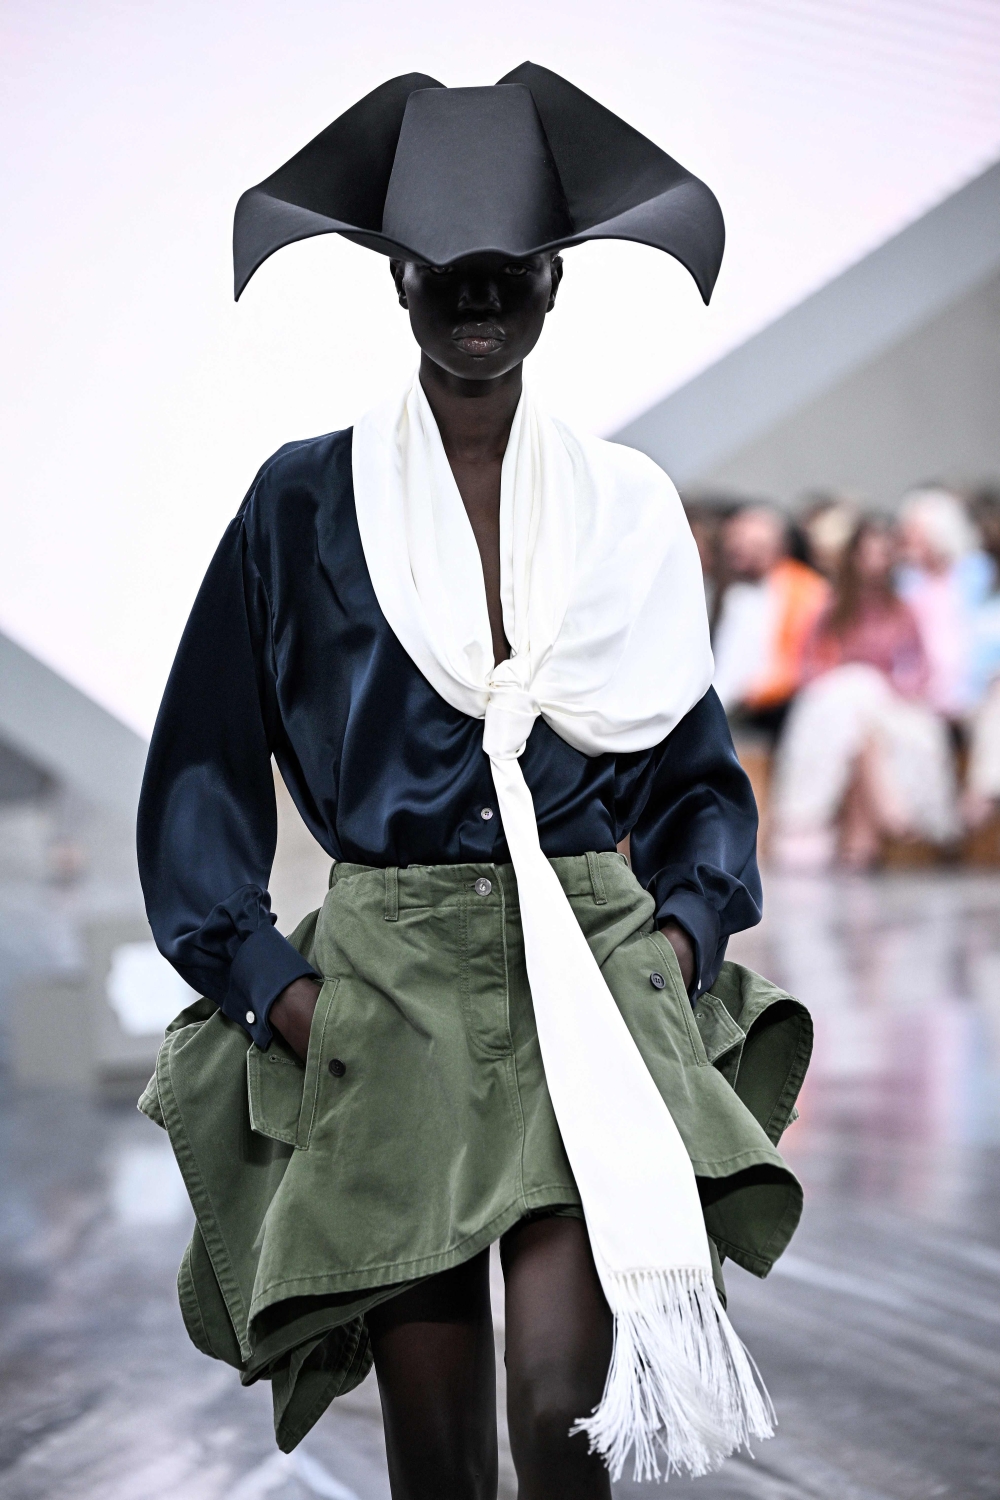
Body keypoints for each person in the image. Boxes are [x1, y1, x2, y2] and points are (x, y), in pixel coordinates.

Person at [136, 66, 809, 1496]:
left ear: (556, 279)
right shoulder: (300, 502)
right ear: (394, 280)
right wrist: (278, 984)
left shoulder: (623, 505)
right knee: (435, 1453)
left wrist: (678, 943)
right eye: (445, 272)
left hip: (585, 968)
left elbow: (691, 772)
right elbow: (203, 757)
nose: (477, 299)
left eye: (506, 269)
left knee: (565, 1406)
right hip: (388, 992)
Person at [771, 518, 959, 870]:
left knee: (864, 717)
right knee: (855, 705)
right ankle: (880, 820)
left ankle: (859, 841)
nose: (875, 560)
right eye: (868, 552)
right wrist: (837, 680)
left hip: (880, 703)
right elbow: (807, 662)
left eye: (882, 552)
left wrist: (899, 687)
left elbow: (921, 666)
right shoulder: (833, 606)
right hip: (843, 702)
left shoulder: (902, 609)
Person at [711, 502, 830, 739]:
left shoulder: (805, 590)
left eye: (756, 545)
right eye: (736, 543)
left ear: (780, 547)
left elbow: (801, 663)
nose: (742, 552)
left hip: (776, 704)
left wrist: (754, 692)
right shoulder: (734, 591)